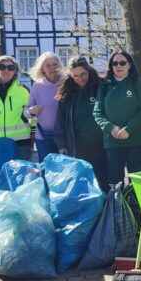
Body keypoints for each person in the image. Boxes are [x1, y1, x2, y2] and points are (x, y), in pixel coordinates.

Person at [93, 48, 141, 185]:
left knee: (136, 181)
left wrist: (129, 129)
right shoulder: (104, 85)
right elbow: (97, 112)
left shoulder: (137, 83)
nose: (118, 66)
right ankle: (117, 206)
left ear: (129, 65)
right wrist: (110, 128)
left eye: (122, 63)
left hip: (134, 140)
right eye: (115, 63)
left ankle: (135, 206)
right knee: (114, 182)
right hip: (112, 142)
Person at [53, 56, 107, 188]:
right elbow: (60, 121)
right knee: (82, 180)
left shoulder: (102, 86)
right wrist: (62, 145)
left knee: (102, 179)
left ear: (89, 71)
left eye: (83, 74)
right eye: (75, 76)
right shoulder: (67, 93)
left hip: (101, 143)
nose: (80, 78)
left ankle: (106, 206)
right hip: (78, 144)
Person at [25, 52, 64, 162]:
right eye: (48, 65)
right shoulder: (37, 87)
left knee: (65, 169)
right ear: (42, 69)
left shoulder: (67, 84)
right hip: (43, 137)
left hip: (65, 136)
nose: (52, 67)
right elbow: (26, 112)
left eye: (55, 64)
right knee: (47, 169)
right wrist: (31, 111)